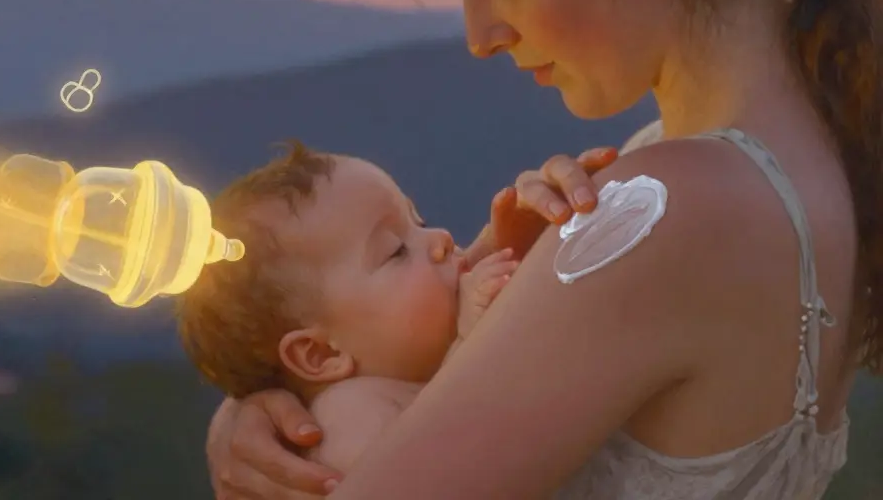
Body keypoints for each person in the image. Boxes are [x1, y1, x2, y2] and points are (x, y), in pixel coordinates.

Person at [203, 0, 883, 497]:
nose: (479, 37)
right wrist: (285, 400)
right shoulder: (816, 144)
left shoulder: (660, 212)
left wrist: (303, 436)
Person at [177, 142, 615, 473]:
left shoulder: (404, 380)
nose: (441, 237)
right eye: (396, 251)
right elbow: (454, 475)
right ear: (322, 354)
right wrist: (473, 347)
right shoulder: (347, 417)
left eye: (418, 221)